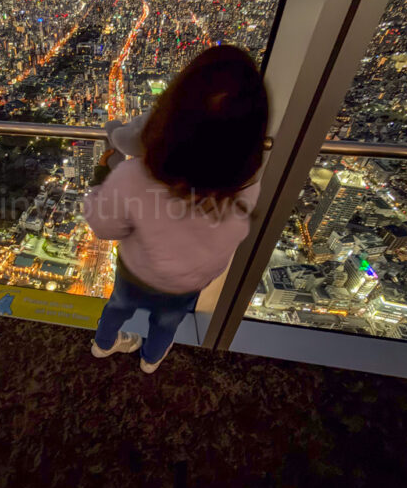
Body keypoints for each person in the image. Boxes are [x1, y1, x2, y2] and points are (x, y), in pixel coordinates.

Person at [84, 45, 269, 373]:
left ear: (168, 117)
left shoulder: (133, 175)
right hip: (188, 281)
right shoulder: (246, 187)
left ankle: (104, 344)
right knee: (167, 323)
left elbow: (104, 226)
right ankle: (151, 360)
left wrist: (102, 180)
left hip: (136, 271)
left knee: (118, 306)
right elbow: (232, 235)